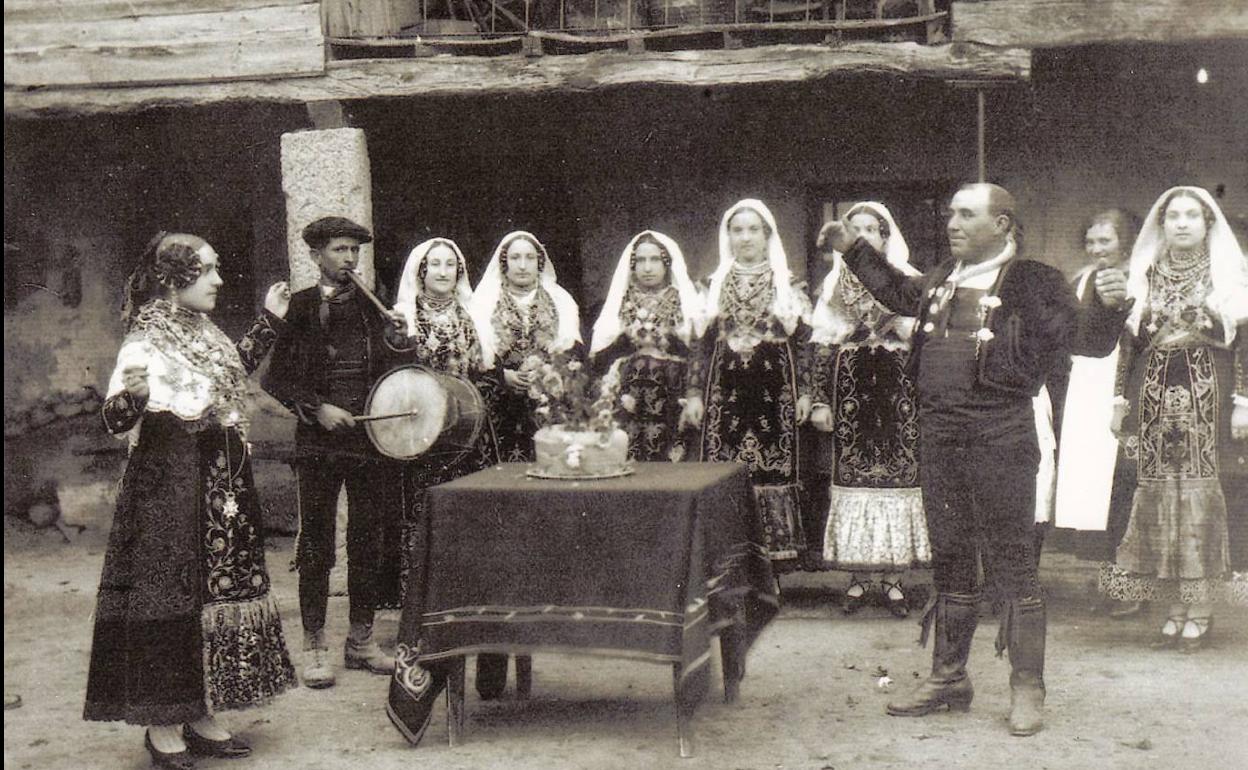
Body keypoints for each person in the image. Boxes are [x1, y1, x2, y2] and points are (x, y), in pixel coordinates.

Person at [827, 182, 1129, 736]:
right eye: (951, 214)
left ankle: (1027, 686)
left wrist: (1110, 309)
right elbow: (899, 291)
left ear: (1003, 224)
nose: (952, 223)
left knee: (1014, 562)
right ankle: (949, 678)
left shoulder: (1034, 281)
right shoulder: (943, 276)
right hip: (939, 434)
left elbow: (1086, 340)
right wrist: (853, 249)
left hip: (1002, 433)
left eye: (967, 215)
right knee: (951, 557)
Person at [85, 232, 297, 769]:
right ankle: (162, 726)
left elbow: (229, 377)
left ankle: (200, 713)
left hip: (222, 486)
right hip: (170, 491)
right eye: (208, 270)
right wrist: (131, 398)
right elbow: (114, 418)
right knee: (172, 595)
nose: (219, 280)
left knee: (213, 596)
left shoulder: (204, 332)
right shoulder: (146, 340)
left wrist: (268, 320)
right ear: (175, 279)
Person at [262, 216, 411, 691]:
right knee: (317, 544)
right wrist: (316, 408)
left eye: (354, 251)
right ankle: (314, 645)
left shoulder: (376, 308)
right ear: (316, 256)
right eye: (340, 250)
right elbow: (276, 380)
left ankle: (362, 641)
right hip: (319, 442)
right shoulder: (299, 308)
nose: (349, 259)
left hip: (367, 441)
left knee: (369, 539)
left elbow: (397, 373)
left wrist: (402, 342)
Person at [1100, 186, 1248, 651]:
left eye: (1192, 216)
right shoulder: (1143, 274)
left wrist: (1244, 401)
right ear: (1161, 225)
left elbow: (1242, 342)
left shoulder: (1227, 272)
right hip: (1155, 391)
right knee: (1161, 493)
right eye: (1173, 217)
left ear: (1207, 224)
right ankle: (1174, 608)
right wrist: (1119, 400)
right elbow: (1129, 343)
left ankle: (1200, 609)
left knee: (1203, 496)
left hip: (1211, 393)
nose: (1181, 223)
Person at [387, 237, 503, 744]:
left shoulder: (473, 314)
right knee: (427, 537)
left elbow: (487, 373)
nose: (443, 271)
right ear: (419, 271)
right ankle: (427, 633)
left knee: (482, 540)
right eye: (434, 264)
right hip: (424, 445)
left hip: (471, 440)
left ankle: (490, 650)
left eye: (451, 265)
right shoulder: (401, 320)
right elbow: (393, 379)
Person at [465, 230, 580, 699]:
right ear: (502, 263)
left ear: (541, 261)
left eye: (530, 258)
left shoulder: (559, 300)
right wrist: (502, 376)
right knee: (503, 522)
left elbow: (574, 353)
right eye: (513, 258)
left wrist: (549, 372)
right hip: (500, 419)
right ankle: (496, 652)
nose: (522, 266)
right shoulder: (484, 301)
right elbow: (475, 360)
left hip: (547, 415)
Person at [809, 202, 930, 617]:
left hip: (898, 387)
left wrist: (903, 329)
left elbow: (928, 338)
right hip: (854, 385)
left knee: (897, 477)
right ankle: (858, 580)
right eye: (853, 228)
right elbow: (823, 344)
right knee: (854, 475)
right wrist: (821, 399)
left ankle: (895, 581)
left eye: (871, 229)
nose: (862, 235)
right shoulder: (834, 284)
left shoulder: (909, 279)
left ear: (885, 236)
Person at [682, 199, 814, 571]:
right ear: (728, 236)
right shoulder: (711, 285)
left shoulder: (788, 285)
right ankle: (731, 564)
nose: (745, 237)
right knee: (726, 473)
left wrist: (805, 391)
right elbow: (700, 344)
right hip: (725, 393)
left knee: (772, 470)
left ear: (767, 235)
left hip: (774, 393)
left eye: (753, 229)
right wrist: (693, 393)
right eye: (737, 230)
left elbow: (804, 342)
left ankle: (773, 569)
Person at [1053, 209, 1144, 617]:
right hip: (1086, 387)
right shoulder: (1082, 280)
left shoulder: (1140, 277)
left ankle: (1132, 585)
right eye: (1091, 242)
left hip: (1125, 385)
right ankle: (1110, 582)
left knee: (1124, 482)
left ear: (1125, 242)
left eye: (1105, 241)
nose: (1096, 249)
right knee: (1095, 486)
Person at [589, 230, 703, 461]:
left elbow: (696, 349)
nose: (647, 268)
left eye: (654, 260)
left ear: (667, 263)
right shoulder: (619, 303)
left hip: (672, 389)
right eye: (640, 260)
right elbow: (602, 353)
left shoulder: (685, 302)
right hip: (629, 392)